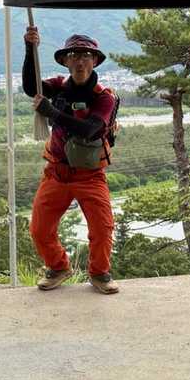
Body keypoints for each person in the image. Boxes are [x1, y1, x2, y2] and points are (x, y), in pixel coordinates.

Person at [23, 27, 120, 294]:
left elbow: (90, 129)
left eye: (86, 55)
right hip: (57, 171)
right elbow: (31, 87)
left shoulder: (104, 97)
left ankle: (99, 273)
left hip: (90, 175)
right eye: (74, 55)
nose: (80, 61)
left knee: (102, 228)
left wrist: (53, 113)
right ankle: (58, 267)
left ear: (95, 61)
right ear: (65, 61)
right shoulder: (58, 87)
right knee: (40, 229)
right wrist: (30, 49)